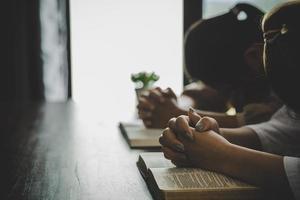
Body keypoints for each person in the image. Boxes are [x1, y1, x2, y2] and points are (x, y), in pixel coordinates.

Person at [159, 1, 300, 199]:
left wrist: (223, 154)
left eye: (226, 89)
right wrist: (206, 133)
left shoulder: (286, 64)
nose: (229, 100)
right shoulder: (281, 58)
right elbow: (281, 131)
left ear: (254, 56)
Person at [137, 3, 282, 129]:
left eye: (223, 87)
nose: (225, 94)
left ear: (254, 55)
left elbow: (263, 123)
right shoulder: (239, 71)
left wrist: (178, 114)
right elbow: (200, 93)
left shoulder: (288, 87)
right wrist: (168, 105)